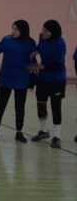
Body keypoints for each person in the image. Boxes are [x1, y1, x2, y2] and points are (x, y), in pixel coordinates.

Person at [0, 20, 36, 143]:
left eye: (16, 29)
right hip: (6, 78)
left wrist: (33, 81)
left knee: (20, 107)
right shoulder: (6, 40)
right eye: (12, 28)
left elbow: (33, 62)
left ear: (23, 30)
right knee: (1, 105)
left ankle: (19, 132)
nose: (13, 31)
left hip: (22, 79)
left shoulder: (31, 43)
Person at [30, 20, 66, 149]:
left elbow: (57, 66)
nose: (42, 32)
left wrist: (38, 66)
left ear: (53, 33)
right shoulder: (42, 37)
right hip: (43, 79)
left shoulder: (60, 44)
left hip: (57, 79)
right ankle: (44, 131)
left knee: (56, 107)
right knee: (41, 105)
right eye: (42, 29)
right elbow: (40, 46)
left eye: (46, 31)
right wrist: (36, 52)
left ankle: (57, 137)